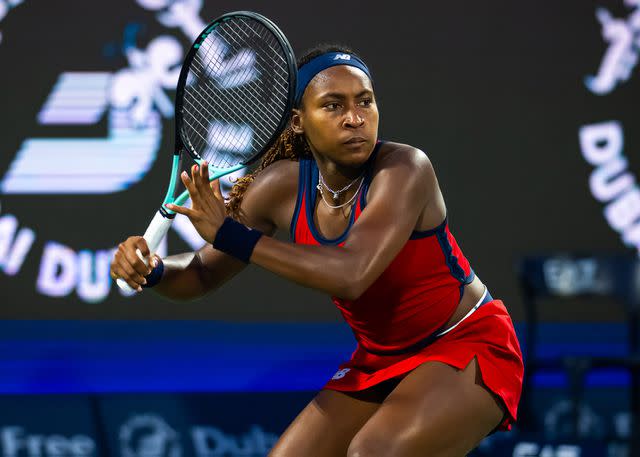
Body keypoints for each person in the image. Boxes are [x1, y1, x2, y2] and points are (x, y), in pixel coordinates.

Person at [110, 44, 524, 457]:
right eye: (333, 105)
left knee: (376, 452)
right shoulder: (279, 188)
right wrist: (156, 270)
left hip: (466, 343)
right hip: (379, 360)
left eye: (365, 101)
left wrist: (231, 235)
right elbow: (201, 272)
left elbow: (352, 275)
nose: (355, 118)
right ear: (298, 121)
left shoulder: (405, 169)